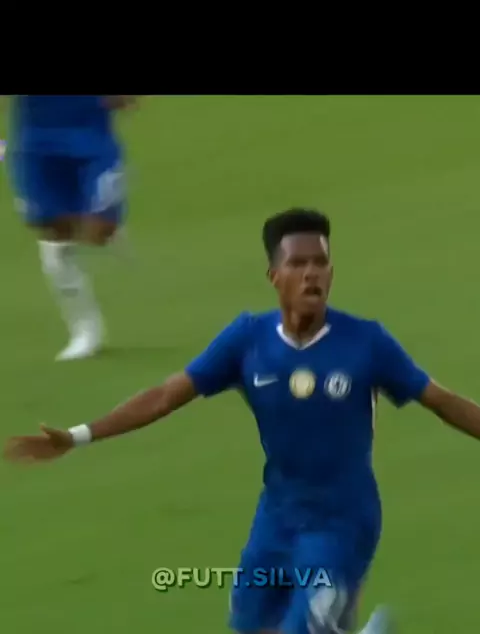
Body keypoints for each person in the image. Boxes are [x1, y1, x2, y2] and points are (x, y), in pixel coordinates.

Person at [5, 207, 479, 634]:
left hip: (342, 524)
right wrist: (78, 436)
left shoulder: (366, 343)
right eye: (298, 263)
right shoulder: (248, 340)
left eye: (321, 263)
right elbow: (166, 396)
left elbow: (441, 400)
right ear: (274, 276)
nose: (311, 273)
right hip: (277, 517)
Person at [6, 95, 136, 361]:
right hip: (36, 142)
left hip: (91, 137)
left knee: (100, 230)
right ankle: (85, 329)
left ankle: (105, 224)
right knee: (52, 230)